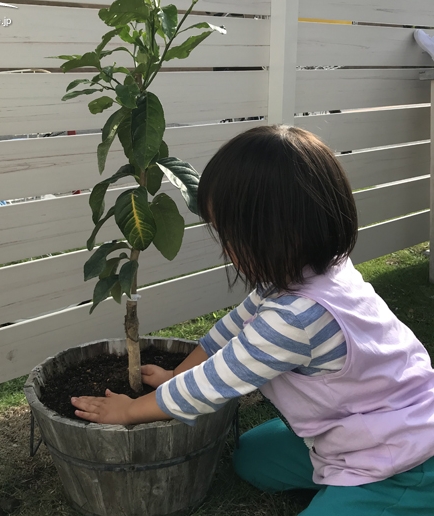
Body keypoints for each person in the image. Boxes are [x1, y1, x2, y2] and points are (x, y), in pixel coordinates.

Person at [71, 125, 434, 515]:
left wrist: (127, 411)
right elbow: (223, 336)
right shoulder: (311, 272)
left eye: (229, 233)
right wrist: (176, 375)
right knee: (251, 459)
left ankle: (402, 497)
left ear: (271, 234)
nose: (226, 247)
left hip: (402, 458)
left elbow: (211, 386)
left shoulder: (296, 318)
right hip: (368, 422)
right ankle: (336, 461)